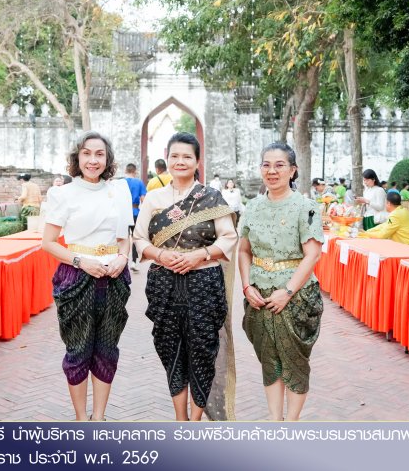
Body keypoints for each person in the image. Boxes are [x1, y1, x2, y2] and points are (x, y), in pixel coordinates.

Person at [133, 132, 237, 421]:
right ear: (167, 159)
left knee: (203, 350)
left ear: (197, 161)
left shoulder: (211, 197)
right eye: (175, 156)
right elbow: (140, 239)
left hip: (204, 283)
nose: (180, 161)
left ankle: (194, 421)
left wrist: (199, 255)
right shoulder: (154, 198)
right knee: (170, 348)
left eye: (187, 157)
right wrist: (160, 255)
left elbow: (228, 237)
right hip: (164, 283)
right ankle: (180, 421)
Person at [41, 131, 134, 422]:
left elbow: (124, 237)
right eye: (86, 153)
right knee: (78, 348)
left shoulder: (118, 190)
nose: (93, 160)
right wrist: (82, 261)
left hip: (113, 275)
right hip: (76, 276)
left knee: (107, 347)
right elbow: (49, 242)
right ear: (77, 157)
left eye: (99, 154)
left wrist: (122, 257)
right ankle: (82, 418)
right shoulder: (63, 193)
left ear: (107, 159)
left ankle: (99, 418)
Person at [238, 142, 324, 421]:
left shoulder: (305, 207)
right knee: (269, 360)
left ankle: (292, 423)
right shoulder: (251, 207)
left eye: (279, 165)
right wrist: (247, 286)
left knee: (294, 361)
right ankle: (275, 421)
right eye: (266, 165)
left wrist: (287, 292)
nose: (272, 171)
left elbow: (312, 254)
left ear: (292, 170)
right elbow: (243, 250)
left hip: (295, 296)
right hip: (259, 295)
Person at [124, 163, 147, 272]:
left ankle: (122, 260)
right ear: (135, 171)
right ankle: (133, 262)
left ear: (126, 170)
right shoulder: (139, 182)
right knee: (135, 238)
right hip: (135, 212)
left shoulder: (121, 182)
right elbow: (143, 199)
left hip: (122, 214)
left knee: (121, 237)